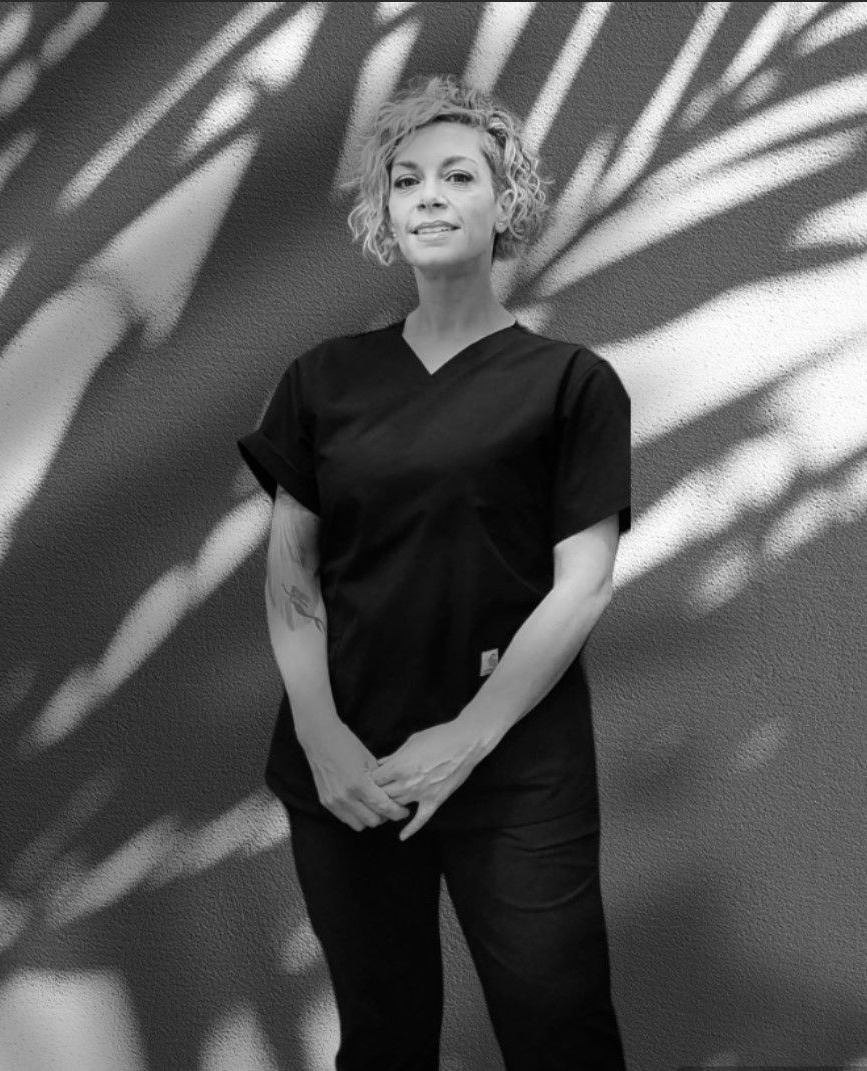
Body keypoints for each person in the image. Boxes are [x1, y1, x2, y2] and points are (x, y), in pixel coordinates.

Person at [237, 74, 631, 1071]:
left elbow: (580, 580)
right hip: (348, 775)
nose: (425, 194)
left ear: (504, 205)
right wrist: (322, 738)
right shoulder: (322, 380)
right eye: (404, 179)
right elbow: (291, 570)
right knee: (382, 1041)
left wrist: (471, 733)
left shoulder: (569, 385)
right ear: (381, 210)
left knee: (561, 1037)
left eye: (457, 175)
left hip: (514, 770)